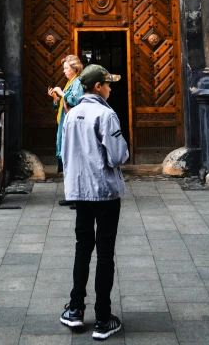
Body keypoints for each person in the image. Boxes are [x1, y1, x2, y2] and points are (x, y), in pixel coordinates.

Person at [60, 64, 129, 340]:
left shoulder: (73, 113)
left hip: (79, 192)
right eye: (109, 84)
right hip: (105, 191)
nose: (111, 88)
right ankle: (102, 318)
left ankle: (75, 309)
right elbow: (117, 156)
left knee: (82, 248)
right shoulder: (106, 114)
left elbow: (65, 153)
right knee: (105, 253)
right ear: (98, 87)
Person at [47, 54, 84, 204]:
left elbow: (76, 100)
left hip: (73, 127)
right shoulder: (70, 82)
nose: (64, 71)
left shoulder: (78, 82)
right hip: (65, 125)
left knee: (74, 160)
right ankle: (72, 194)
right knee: (68, 161)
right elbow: (64, 104)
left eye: (66, 68)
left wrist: (62, 93)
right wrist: (56, 98)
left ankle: (78, 197)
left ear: (75, 68)